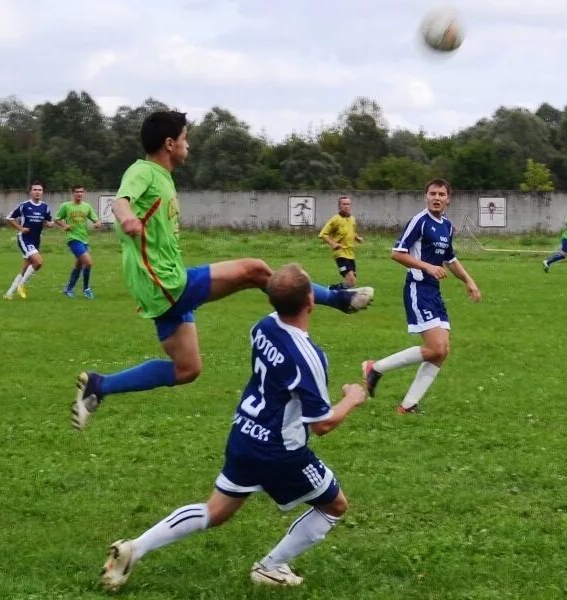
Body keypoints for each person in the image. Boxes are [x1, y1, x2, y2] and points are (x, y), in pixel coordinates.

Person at [71, 111, 373, 430]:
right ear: (169, 143)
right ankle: (336, 298)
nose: (189, 145)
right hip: (166, 283)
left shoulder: (163, 178)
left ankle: (99, 385)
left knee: (187, 369)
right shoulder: (144, 170)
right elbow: (121, 200)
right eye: (186, 138)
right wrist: (126, 215)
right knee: (255, 270)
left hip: (160, 285)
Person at [98, 264, 367, 590]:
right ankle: (272, 566)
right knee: (335, 506)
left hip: (245, 435)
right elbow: (323, 424)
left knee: (214, 511)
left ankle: (135, 547)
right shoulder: (309, 357)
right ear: (311, 300)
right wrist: (352, 398)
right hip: (280, 451)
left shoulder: (262, 327)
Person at [362, 178, 481, 414]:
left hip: (433, 291)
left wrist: (469, 281)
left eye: (441, 194)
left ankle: (408, 405)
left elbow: (450, 260)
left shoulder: (446, 226)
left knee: (442, 350)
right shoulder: (420, 221)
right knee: (435, 347)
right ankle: (375, 368)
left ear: (449, 199)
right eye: (432, 193)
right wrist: (426, 266)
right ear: (426, 196)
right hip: (417, 289)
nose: (437, 198)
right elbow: (397, 253)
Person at [3, 181, 56, 299]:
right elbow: (10, 217)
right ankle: (21, 285)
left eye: (40, 190)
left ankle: (8, 294)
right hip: (24, 239)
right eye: (35, 190)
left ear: (42, 192)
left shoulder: (45, 207)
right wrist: (20, 228)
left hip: (36, 240)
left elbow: (49, 221)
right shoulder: (24, 206)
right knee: (38, 262)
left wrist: (51, 224)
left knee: (25, 268)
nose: (37, 192)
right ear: (31, 192)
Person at [54, 185, 102, 299]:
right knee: (89, 263)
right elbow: (57, 219)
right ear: (73, 193)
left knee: (79, 265)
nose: (79, 194)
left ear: (84, 193)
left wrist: (97, 224)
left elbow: (96, 220)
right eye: (77, 192)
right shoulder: (66, 206)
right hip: (73, 239)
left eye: (81, 192)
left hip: (84, 239)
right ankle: (86, 289)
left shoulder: (87, 207)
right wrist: (65, 225)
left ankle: (69, 289)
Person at [318, 195, 363, 289]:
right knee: (350, 280)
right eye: (344, 204)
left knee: (352, 283)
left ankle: (339, 296)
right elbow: (323, 234)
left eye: (348, 204)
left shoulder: (352, 219)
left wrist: (357, 237)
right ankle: (330, 289)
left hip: (350, 254)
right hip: (340, 254)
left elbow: (351, 231)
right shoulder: (335, 219)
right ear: (339, 206)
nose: (346, 206)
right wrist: (333, 244)